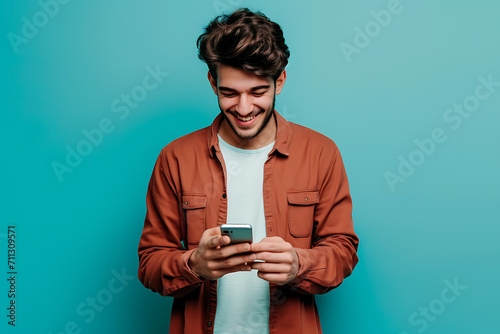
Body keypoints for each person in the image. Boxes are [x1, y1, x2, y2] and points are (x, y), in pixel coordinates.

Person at [138, 8, 359, 334]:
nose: (243, 109)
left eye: (257, 92)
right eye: (230, 93)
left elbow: (342, 249)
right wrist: (195, 265)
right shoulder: (176, 157)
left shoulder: (321, 153)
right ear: (213, 82)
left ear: (279, 82)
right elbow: (150, 262)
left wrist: (300, 264)